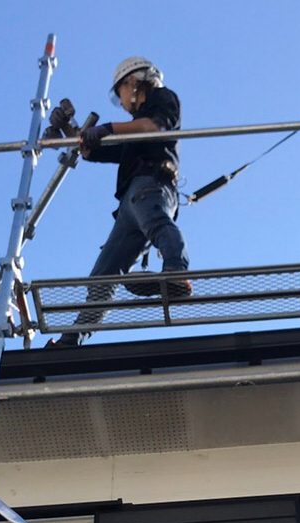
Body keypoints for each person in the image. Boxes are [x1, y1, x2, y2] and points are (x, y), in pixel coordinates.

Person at [46, 56, 191, 348]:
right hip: (128, 204)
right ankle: (72, 339)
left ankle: (176, 272)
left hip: (151, 183)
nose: (122, 103)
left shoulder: (164, 99)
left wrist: (108, 128)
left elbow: (152, 128)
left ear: (134, 82)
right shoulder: (131, 129)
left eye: (121, 93)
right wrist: (73, 131)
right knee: (103, 275)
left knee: (156, 221)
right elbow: (98, 150)